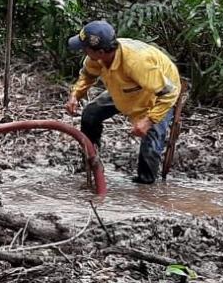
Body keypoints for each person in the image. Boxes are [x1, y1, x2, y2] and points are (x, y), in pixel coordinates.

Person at [64, 20, 181, 184]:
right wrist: (75, 95)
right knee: (90, 114)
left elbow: (169, 92)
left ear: (101, 51)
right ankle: (91, 162)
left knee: (150, 147)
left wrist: (148, 121)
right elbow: (88, 75)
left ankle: (145, 187)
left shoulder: (136, 63)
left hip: (157, 91)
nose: (83, 51)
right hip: (124, 87)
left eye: (85, 48)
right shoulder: (96, 58)